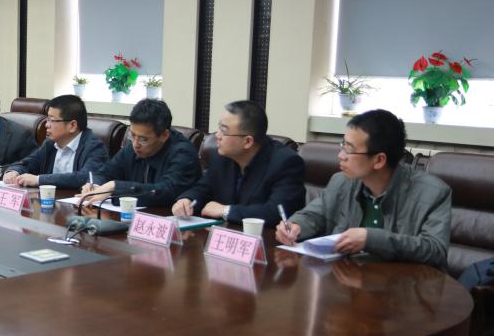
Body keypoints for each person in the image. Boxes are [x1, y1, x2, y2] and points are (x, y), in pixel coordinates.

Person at [276, 109, 451, 269]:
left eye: (349, 150)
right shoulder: (342, 181)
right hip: (346, 281)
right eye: (343, 145)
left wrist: (371, 239)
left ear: (379, 160)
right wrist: (295, 225)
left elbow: (435, 251)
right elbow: (314, 215)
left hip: (402, 286)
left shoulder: (432, 193)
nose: (341, 155)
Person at [172, 100, 305, 227]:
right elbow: (203, 188)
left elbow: (276, 212)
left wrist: (226, 211)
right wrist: (187, 200)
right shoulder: (221, 155)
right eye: (219, 127)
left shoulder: (285, 163)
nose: (217, 135)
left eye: (224, 131)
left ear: (247, 141)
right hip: (227, 234)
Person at [74, 99, 199, 204]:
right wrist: (94, 184)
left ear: (164, 135)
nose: (136, 144)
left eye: (143, 139)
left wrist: (115, 187)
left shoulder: (183, 153)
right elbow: (104, 172)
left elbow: (166, 191)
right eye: (132, 135)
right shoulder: (133, 146)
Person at [3, 94, 108, 189]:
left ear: (72, 125)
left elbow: (85, 177)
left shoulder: (94, 147)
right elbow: (28, 162)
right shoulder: (50, 144)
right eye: (47, 119)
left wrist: (39, 180)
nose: (46, 125)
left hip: (77, 202)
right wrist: (14, 171)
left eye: (52, 120)